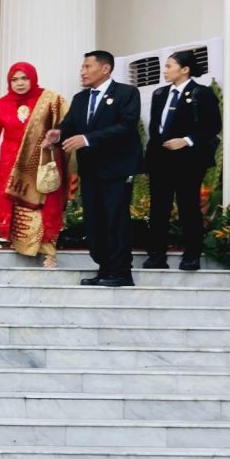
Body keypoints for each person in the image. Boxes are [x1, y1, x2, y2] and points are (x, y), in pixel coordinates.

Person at [52, 49, 142, 288]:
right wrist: (58, 132)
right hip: (90, 170)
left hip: (117, 168)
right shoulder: (81, 98)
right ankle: (105, 268)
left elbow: (126, 126)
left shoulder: (127, 93)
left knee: (115, 219)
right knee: (94, 221)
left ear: (105, 68)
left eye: (87, 67)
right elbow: (70, 125)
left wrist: (87, 139)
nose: (82, 72)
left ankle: (122, 272)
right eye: (82, 67)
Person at [0, 61, 68, 268]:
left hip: (42, 162)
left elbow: (67, 125)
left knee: (44, 205)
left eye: (24, 78)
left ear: (33, 78)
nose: (19, 83)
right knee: (15, 204)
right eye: (14, 79)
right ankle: (18, 244)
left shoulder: (49, 100)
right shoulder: (1, 105)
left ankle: (48, 251)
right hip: (11, 164)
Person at [146, 49, 221, 272]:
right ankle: (157, 255)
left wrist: (187, 141)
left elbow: (212, 126)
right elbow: (154, 128)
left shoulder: (202, 93)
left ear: (185, 69)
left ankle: (191, 254)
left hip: (188, 161)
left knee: (188, 206)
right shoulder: (159, 94)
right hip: (161, 160)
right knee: (159, 208)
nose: (165, 70)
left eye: (169, 66)